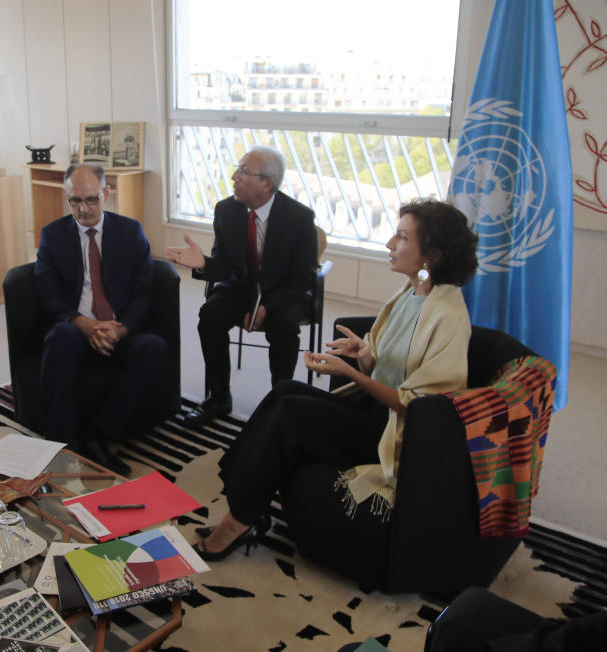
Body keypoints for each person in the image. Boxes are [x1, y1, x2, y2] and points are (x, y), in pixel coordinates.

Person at [193, 199, 478, 560]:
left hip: (395, 436)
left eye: (402, 237)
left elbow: (421, 407)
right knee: (285, 391)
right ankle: (245, 504)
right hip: (375, 413)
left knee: (291, 415)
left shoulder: (449, 316)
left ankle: (238, 520)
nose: (390, 244)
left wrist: (348, 373)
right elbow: (391, 365)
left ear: (431, 256)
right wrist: (364, 355)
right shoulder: (412, 292)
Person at [165, 145, 317, 427]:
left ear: (267, 183)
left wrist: (267, 306)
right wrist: (203, 264)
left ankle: (279, 403)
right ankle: (219, 397)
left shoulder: (299, 218)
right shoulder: (226, 210)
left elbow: (303, 277)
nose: (234, 176)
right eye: (237, 168)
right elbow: (224, 265)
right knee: (209, 316)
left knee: (284, 326)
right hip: (241, 287)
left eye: (244, 171)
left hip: (282, 292)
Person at [34, 163, 167, 476]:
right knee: (58, 339)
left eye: (91, 199)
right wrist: (83, 324)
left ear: (106, 194)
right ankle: (60, 444)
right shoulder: (52, 236)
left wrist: (119, 331)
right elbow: (47, 294)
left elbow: (142, 292)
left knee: (154, 348)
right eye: (75, 201)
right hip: (78, 327)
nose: (83, 209)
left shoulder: (130, 231)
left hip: (119, 327)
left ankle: (99, 435)